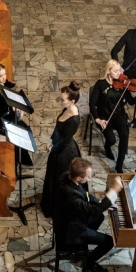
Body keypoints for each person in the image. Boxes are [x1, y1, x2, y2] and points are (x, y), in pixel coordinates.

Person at [54, 158, 123, 272]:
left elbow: (86, 195)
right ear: (79, 178)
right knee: (109, 242)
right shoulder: (71, 195)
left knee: (100, 217)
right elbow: (94, 211)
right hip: (72, 230)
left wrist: (102, 204)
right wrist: (113, 191)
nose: (89, 177)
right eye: (87, 176)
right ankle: (89, 263)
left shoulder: (67, 175)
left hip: (71, 218)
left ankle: (85, 240)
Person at [89, 60, 136, 173]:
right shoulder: (100, 84)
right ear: (109, 71)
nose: (119, 73)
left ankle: (119, 165)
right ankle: (108, 146)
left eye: (119, 70)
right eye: (116, 71)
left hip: (119, 115)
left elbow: (131, 102)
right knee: (111, 139)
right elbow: (92, 104)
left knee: (125, 135)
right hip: (104, 116)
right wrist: (97, 119)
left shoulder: (123, 84)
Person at [41, 81, 81, 218]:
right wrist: (51, 141)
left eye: (63, 100)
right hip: (58, 146)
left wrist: (53, 149)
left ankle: (56, 209)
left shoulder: (74, 120)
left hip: (65, 153)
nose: (60, 102)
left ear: (72, 101)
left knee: (58, 180)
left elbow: (65, 140)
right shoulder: (66, 109)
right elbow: (58, 129)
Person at [0, 62, 32, 166]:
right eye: (0, 76)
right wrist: (13, 109)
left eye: (4, 74)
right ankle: (18, 160)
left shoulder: (2, 83)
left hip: (7, 115)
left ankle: (22, 157)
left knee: (24, 130)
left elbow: (7, 87)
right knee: (21, 134)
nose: (4, 78)